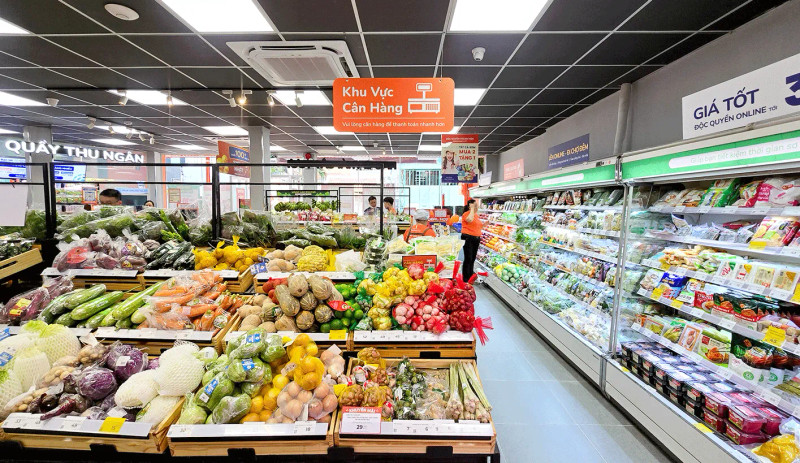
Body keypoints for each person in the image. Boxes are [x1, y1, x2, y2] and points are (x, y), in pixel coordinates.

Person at [460, 199, 482, 282]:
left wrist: (485, 224)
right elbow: (469, 220)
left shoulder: (476, 215)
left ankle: (470, 276)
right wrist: (472, 209)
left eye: (477, 205)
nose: (477, 207)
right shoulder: (466, 214)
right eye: (475, 205)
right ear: (470, 206)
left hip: (476, 238)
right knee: (468, 258)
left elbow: (477, 226)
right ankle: (466, 279)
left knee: (472, 258)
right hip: (468, 237)